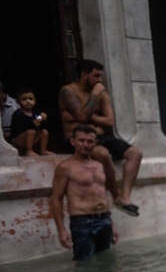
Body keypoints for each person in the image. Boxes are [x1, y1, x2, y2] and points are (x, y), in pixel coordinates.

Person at [59, 60, 142, 216]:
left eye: (100, 76)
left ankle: (125, 196)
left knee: (135, 153)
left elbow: (109, 121)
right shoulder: (68, 91)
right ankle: (116, 196)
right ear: (84, 75)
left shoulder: (102, 94)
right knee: (103, 154)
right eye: (96, 75)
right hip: (79, 138)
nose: (100, 81)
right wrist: (94, 96)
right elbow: (82, 116)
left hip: (101, 136)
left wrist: (84, 117)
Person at [50, 124, 119, 261]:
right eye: (81, 140)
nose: (85, 145)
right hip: (82, 221)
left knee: (106, 262)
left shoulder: (99, 166)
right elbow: (56, 199)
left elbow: (101, 196)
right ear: (73, 141)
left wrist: (112, 224)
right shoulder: (65, 167)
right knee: (85, 266)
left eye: (89, 141)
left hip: (104, 219)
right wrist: (61, 230)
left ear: (95, 143)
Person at [9, 88, 49, 156]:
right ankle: (29, 151)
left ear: (35, 100)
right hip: (19, 139)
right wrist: (32, 124)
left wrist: (43, 118)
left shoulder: (36, 113)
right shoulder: (18, 114)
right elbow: (19, 129)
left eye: (30, 99)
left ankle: (43, 150)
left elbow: (40, 126)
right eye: (24, 99)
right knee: (31, 131)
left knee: (44, 132)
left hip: (32, 138)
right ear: (18, 101)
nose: (28, 101)